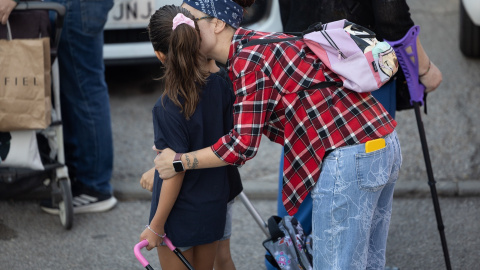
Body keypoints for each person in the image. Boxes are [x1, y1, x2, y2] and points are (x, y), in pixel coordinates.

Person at [153, 0, 403, 269]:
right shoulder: (257, 44)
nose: (182, 26)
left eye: (189, 18)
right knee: (369, 262)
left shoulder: (247, 61)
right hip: (381, 145)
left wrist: (179, 161)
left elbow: (241, 146)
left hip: (351, 156)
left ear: (217, 23)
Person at [266, 2, 444, 269]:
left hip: (302, 62)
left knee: (301, 186)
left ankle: (291, 261)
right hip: (360, 67)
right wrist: (426, 70)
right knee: (359, 196)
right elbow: (392, 17)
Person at [138, 5, 241, 270]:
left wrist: (156, 226)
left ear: (160, 55)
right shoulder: (224, 84)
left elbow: (175, 171)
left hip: (178, 215)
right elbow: (222, 142)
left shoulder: (167, 107)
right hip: (214, 206)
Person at [0, 0, 117, 213]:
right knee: (80, 88)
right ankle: (85, 178)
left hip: (77, 6)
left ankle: (94, 186)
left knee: (84, 90)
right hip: (82, 6)